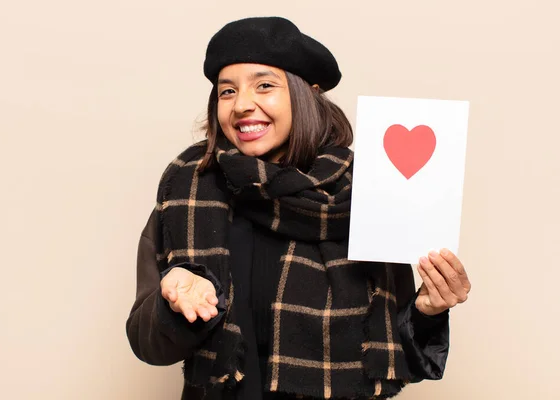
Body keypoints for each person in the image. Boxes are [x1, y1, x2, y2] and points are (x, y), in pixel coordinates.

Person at [126, 16, 471, 400]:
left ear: (306, 94)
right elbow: (148, 343)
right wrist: (172, 303)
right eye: (227, 91)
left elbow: (391, 355)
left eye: (264, 85)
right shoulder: (187, 188)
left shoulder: (369, 190)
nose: (241, 105)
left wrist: (427, 312)